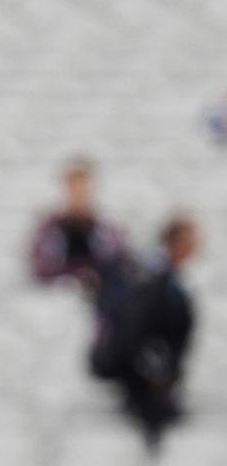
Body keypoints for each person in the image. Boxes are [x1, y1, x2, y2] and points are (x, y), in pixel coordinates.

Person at [89, 214, 199, 449]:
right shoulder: (151, 275)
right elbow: (134, 324)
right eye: (190, 238)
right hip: (136, 366)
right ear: (175, 240)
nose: (196, 245)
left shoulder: (165, 276)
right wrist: (152, 370)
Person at [29, 158, 133, 312]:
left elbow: (121, 262)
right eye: (74, 188)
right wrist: (77, 275)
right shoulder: (50, 229)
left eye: (83, 188)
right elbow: (42, 269)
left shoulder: (104, 228)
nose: (78, 194)